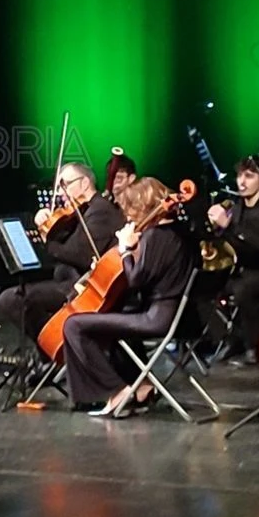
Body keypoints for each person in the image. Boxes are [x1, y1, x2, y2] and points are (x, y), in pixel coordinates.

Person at [59, 177, 199, 414]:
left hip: (157, 318)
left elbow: (135, 281)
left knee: (73, 325)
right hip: (183, 317)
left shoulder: (156, 236)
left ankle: (115, 392)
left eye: (131, 210)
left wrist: (125, 251)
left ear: (143, 206)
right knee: (115, 315)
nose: (129, 217)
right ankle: (143, 386)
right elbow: (154, 274)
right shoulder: (181, 232)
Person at [0, 162, 123, 349]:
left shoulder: (100, 210)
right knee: (17, 297)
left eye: (65, 185)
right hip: (68, 282)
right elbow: (65, 248)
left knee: (12, 299)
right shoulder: (80, 212)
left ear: (85, 183)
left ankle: (52, 349)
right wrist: (47, 227)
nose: (61, 193)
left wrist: (48, 241)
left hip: (84, 288)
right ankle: (55, 348)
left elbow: (82, 255)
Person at [204, 156, 259, 366]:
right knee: (201, 286)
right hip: (242, 269)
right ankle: (228, 337)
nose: (241, 182)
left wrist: (228, 224)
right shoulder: (238, 205)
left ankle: (254, 346)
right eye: (240, 176)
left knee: (243, 289)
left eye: (249, 176)